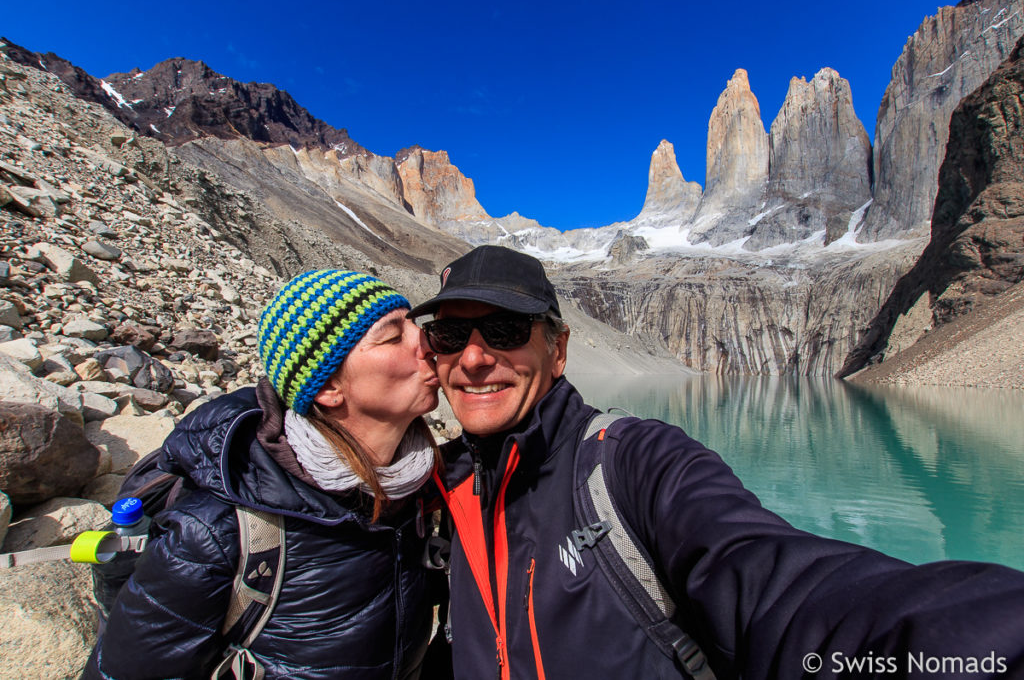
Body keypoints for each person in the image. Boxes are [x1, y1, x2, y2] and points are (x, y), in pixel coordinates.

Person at [409, 245, 1024, 680]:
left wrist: (970, 647)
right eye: (449, 336)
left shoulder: (634, 462)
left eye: (506, 329)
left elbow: (776, 588)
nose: (474, 359)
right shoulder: (438, 485)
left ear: (559, 349)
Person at [84, 269, 444, 679]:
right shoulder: (220, 529)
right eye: (394, 335)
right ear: (328, 387)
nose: (427, 340)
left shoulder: (416, 489)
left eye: (414, 325)